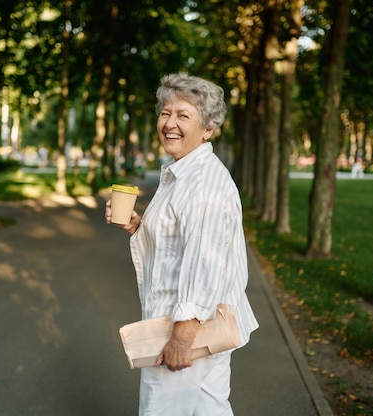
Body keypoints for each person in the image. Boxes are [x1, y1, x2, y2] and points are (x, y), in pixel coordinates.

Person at [106, 73, 259, 416]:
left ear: (208, 129)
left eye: (183, 115)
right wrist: (138, 227)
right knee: (209, 409)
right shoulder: (182, 173)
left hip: (186, 328)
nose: (170, 123)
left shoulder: (203, 183)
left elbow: (206, 264)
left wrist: (181, 338)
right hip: (191, 327)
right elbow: (181, 245)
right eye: (165, 113)